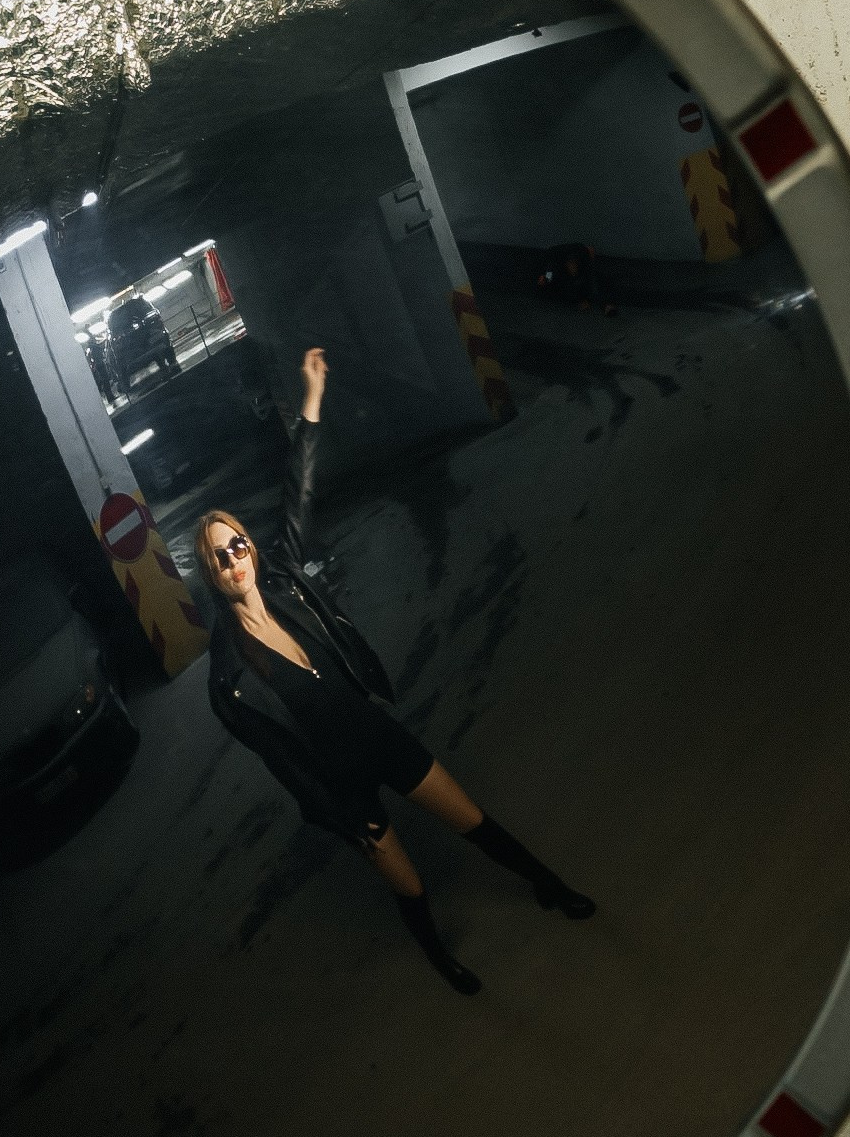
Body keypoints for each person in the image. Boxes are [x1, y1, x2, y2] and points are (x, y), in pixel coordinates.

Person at [196, 348, 594, 997]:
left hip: (375, 734)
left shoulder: (286, 582)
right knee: (406, 882)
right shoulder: (228, 678)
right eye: (219, 556)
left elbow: (299, 490)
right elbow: (284, 761)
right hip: (340, 781)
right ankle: (439, 956)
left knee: (470, 817)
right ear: (210, 574)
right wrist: (337, 816)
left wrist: (312, 397)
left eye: (239, 543)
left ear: (253, 548)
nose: (235, 558)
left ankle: (549, 885)